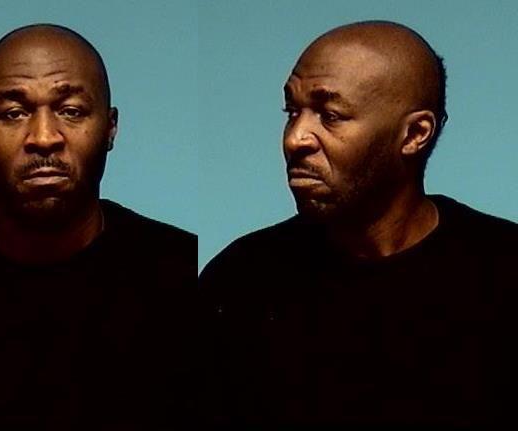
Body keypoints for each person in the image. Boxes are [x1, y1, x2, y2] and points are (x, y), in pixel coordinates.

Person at [200, 20, 518, 426]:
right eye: (292, 111)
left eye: (330, 115)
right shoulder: (239, 281)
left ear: (415, 134)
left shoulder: (504, 271)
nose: (295, 138)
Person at [0, 24, 197, 429]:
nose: (44, 138)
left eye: (71, 111)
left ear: (111, 126)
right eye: (14, 113)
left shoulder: (184, 275)